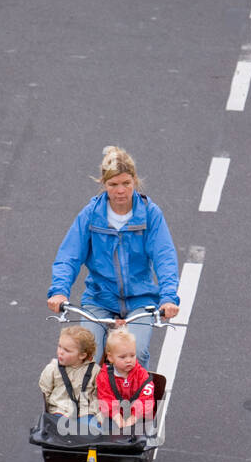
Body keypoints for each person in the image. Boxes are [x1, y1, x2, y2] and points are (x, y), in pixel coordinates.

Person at [47, 145, 180, 369]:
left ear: (135, 181)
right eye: (113, 185)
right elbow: (69, 256)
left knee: (134, 353)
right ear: (104, 185)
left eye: (126, 183)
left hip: (141, 301)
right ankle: (88, 403)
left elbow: (164, 257)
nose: (120, 191)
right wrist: (59, 291)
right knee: (86, 356)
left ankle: (140, 401)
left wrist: (168, 297)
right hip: (99, 299)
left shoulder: (150, 214)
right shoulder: (91, 215)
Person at [38, 323, 100, 435]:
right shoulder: (52, 369)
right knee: (59, 435)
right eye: (59, 346)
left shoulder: (94, 371)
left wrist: (98, 414)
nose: (60, 352)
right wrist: (48, 411)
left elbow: (98, 395)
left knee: (94, 434)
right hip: (60, 410)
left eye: (67, 350)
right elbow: (45, 392)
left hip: (86, 412)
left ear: (82, 355)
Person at [96, 328, 157, 435]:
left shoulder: (142, 375)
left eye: (132, 355)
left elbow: (146, 398)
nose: (129, 360)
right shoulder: (105, 376)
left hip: (138, 416)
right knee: (104, 430)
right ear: (110, 357)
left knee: (139, 432)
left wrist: (133, 418)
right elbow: (105, 398)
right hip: (113, 416)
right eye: (123, 357)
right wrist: (117, 417)